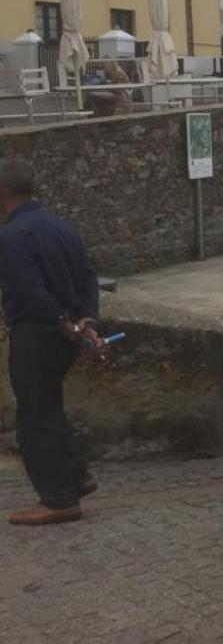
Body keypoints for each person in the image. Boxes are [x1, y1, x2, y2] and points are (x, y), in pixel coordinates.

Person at [0, 158, 108, 526]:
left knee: (34, 418)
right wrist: (87, 321)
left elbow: (31, 292)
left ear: (5, 191)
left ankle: (58, 499)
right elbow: (87, 277)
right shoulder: (60, 227)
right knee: (49, 408)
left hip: (37, 333)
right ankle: (76, 475)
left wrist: (63, 324)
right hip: (63, 335)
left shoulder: (12, 236)